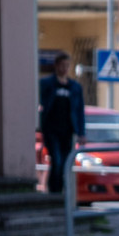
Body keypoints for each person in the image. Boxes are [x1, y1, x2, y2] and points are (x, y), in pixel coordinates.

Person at [38, 53, 85, 197]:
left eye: (67, 66)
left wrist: (81, 133)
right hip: (51, 130)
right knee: (57, 161)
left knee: (66, 163)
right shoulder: (46, 84)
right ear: (56, 66)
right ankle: (55, 193)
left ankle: (65, 195)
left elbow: (79, 111)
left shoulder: (75, 87)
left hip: (68, 131)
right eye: (62, 65)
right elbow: (40, 104)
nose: (64, 68)